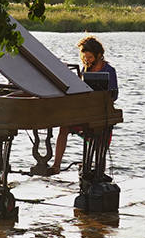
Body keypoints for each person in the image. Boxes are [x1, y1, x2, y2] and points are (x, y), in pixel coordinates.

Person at [50, 35, 118, 174]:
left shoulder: (110, 71)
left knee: (100, 138)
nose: (87, 60)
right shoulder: (84, 69)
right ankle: (56, 165)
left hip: (100, 113)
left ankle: (97, 169)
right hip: (83, 112)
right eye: (85, 58)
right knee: (64, 127)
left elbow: (114, 95)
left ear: (99, 55)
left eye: (90, 58)